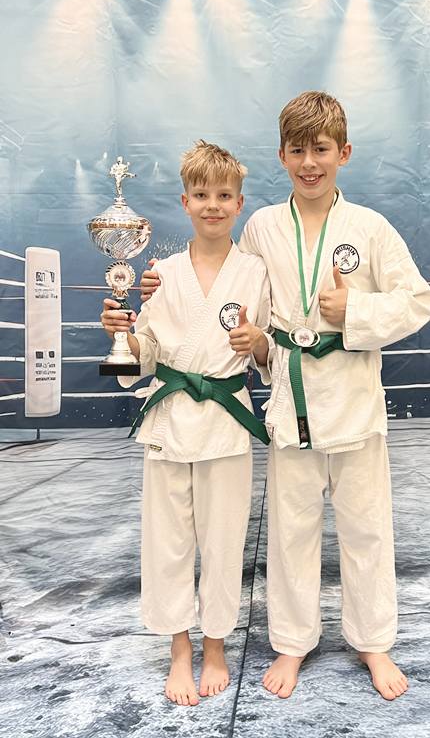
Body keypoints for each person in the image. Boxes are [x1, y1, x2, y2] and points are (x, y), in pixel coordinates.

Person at [141, 92, 430, 701]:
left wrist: (357, 310)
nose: (309, 163)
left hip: (353, 399)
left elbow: (417, 302)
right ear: (282, 156)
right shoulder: (262, 226)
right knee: (291, 533)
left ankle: (373, 641)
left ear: (343, 153)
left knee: (366, 529)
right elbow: (232, 294)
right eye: (297, 151)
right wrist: (160, 284)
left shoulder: (370, 228)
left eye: (320, 150)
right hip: (289, 401)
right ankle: (293, 641)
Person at [101, 140, 272, 707]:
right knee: (167, 541)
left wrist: (258, 342)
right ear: (185, 202)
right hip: (170, 420)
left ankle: (215, 645)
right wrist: (122, 336)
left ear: (239, 203)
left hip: (225, 421)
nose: (212, 205)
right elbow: (147, 353)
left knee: (223, 540)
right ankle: (179, 647)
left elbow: (268, 350)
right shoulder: (161, 273)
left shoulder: (255, 272)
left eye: (223, 196)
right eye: (201, 195)